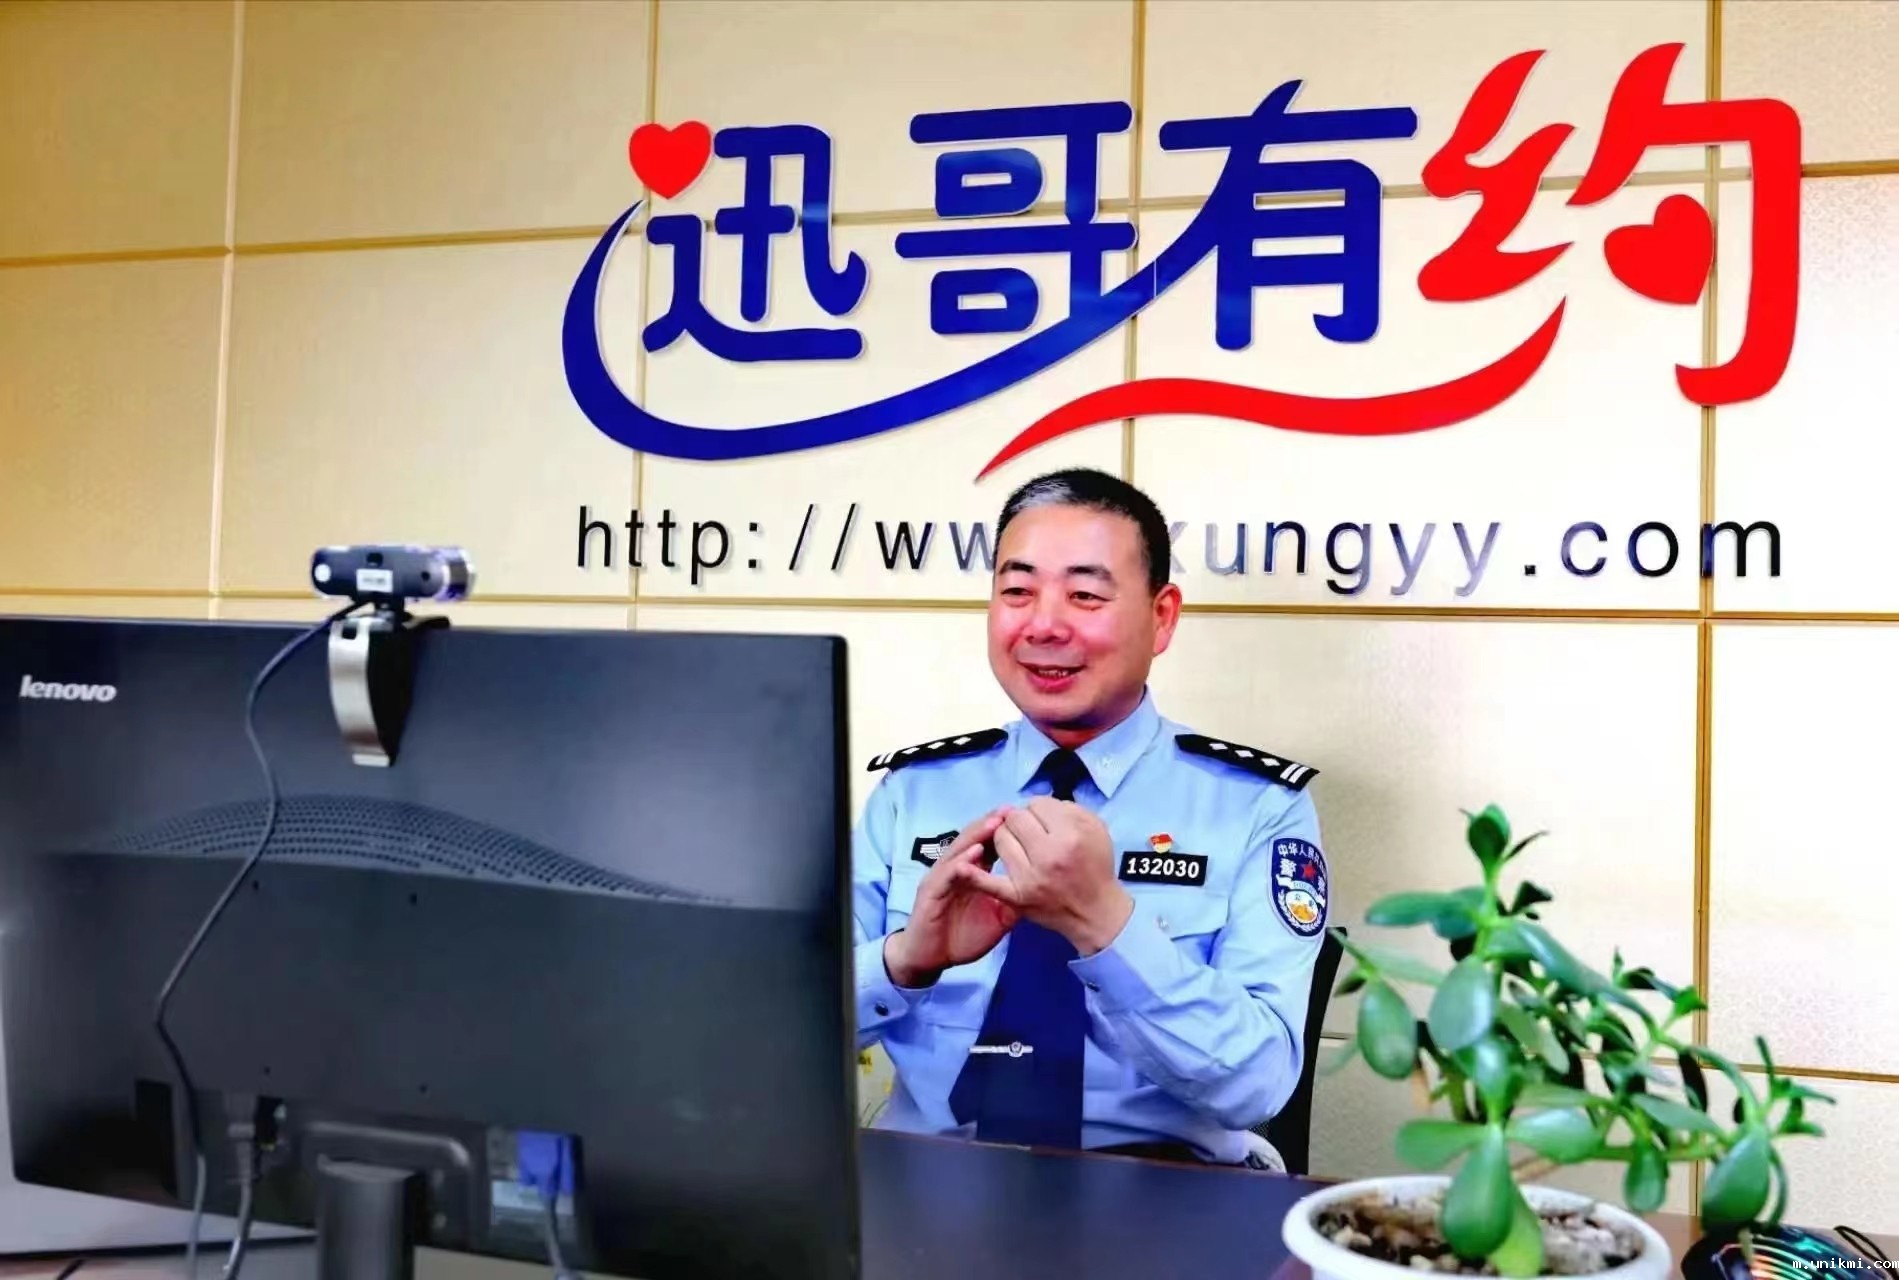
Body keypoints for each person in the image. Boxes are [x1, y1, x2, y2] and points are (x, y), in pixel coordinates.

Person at [851, 467, 1330, 1167]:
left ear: (1161, 617)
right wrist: (906, 961)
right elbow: (781, 1035)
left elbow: (1257, 1086)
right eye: (1017, 592)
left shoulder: (1257, 805)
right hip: (928, 1180)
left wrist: (1102, 924)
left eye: (1084, 595)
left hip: (1162, 1188)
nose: (1043, 625)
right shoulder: (914, 792)